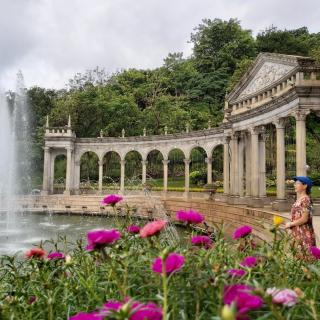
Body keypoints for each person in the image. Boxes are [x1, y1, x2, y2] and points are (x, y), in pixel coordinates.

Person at [284, 176, 316, 260]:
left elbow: (304, 218)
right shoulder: (300, 199)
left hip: (304, 234)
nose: (295, 185)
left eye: (297, 183)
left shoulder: (306, 200)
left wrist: (290, 224)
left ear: (305, 186)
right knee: (299, 259)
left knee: (306, 260)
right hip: (298, 233)